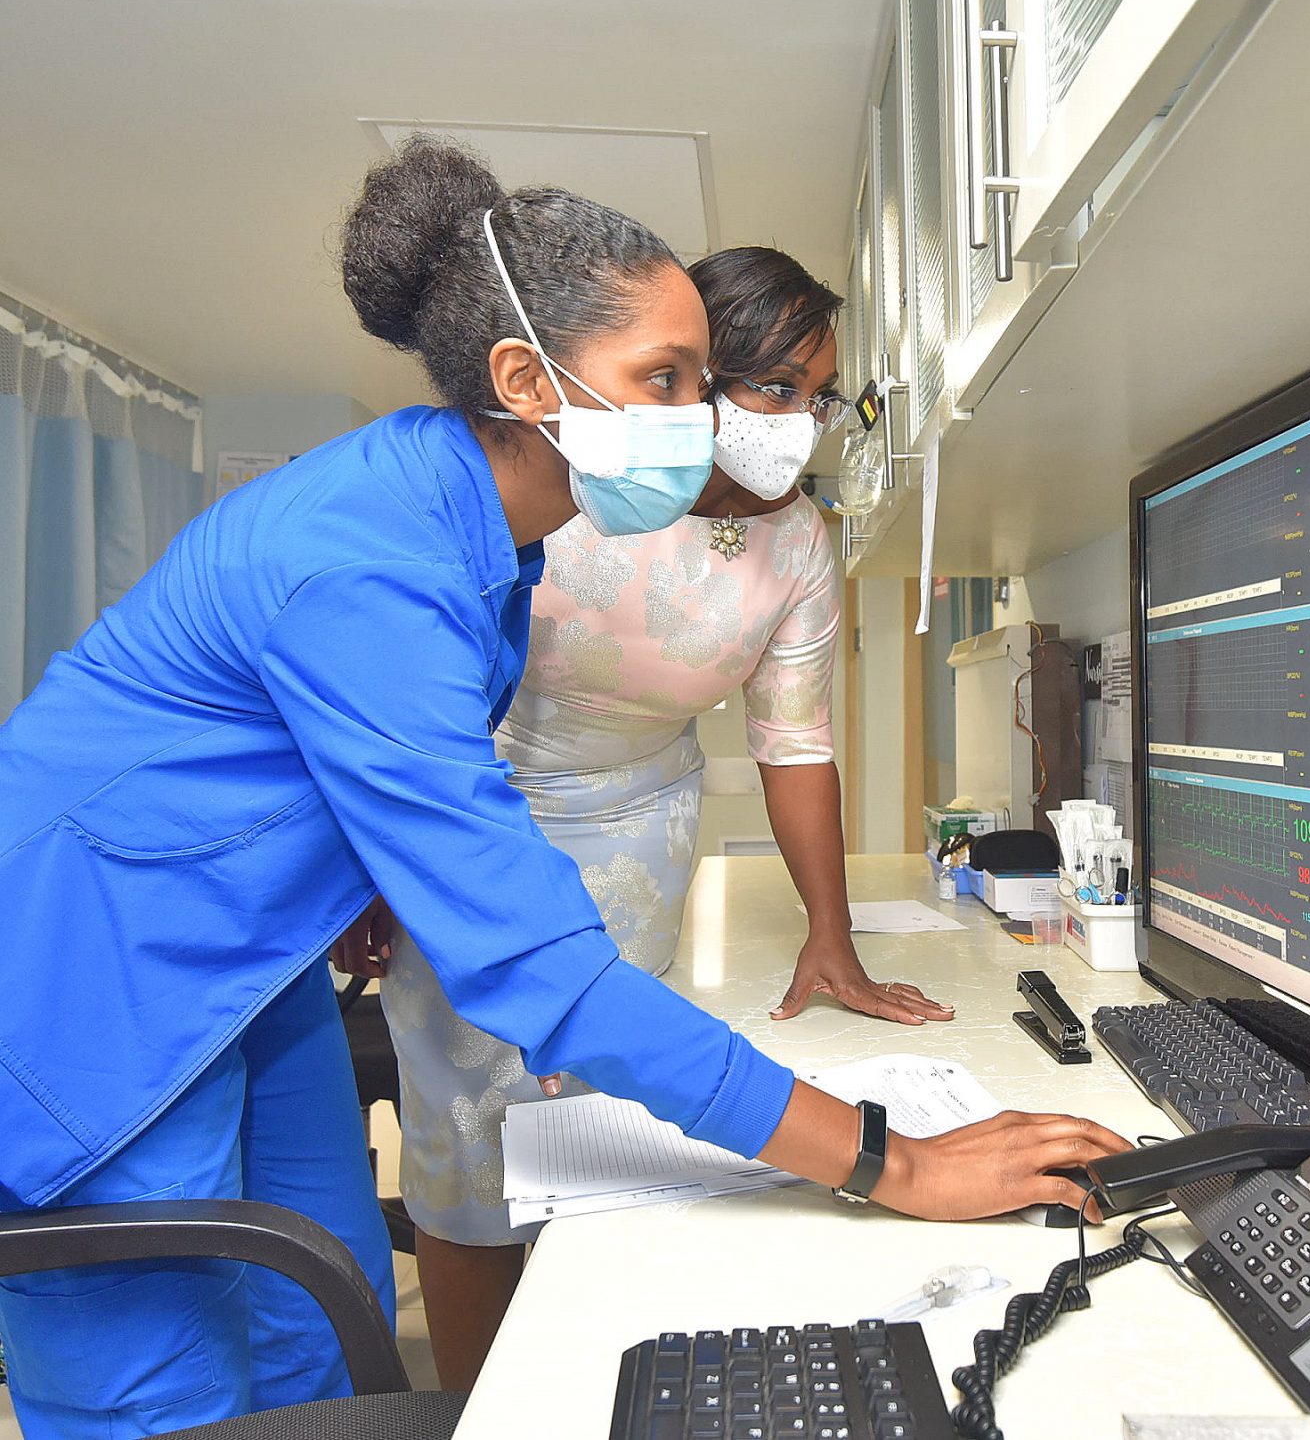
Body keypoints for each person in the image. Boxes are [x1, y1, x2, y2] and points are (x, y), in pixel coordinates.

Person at [0, 136, 1127, 1439]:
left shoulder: (485, 532)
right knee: (165, 1388)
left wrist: (365, 875)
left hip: (250, 962)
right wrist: (895, 1160)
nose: (707, 420)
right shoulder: (367, 554)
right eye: (666, 378)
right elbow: (546, 973)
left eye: (706, 381)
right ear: (527, 380)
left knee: (320, 1320)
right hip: (95, 973)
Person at [366, 244, 944, 1389]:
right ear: (691, 379)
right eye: (771, 388)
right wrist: (375, 868)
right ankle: (487, 1401)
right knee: (471, 1140)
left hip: (644, 829)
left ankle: (584, 1369)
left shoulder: (796, 545)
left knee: (606, 1118)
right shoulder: (570, 486)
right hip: (483, 814)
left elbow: (794, 740)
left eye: (816, 397)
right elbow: (403, 700)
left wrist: (830, 935)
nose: (799, 422)